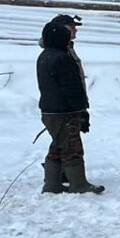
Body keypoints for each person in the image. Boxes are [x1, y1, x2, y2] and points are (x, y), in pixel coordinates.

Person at [37, 16, 104, 194]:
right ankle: (78, 184)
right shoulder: (61, 57)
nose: (73, 32)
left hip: (50, 110)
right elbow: (71, 88)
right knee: (72, 146)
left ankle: (52, 184)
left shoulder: (45, 55)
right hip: (64, 111)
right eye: (69, 29)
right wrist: (81, 111)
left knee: (58, 144)